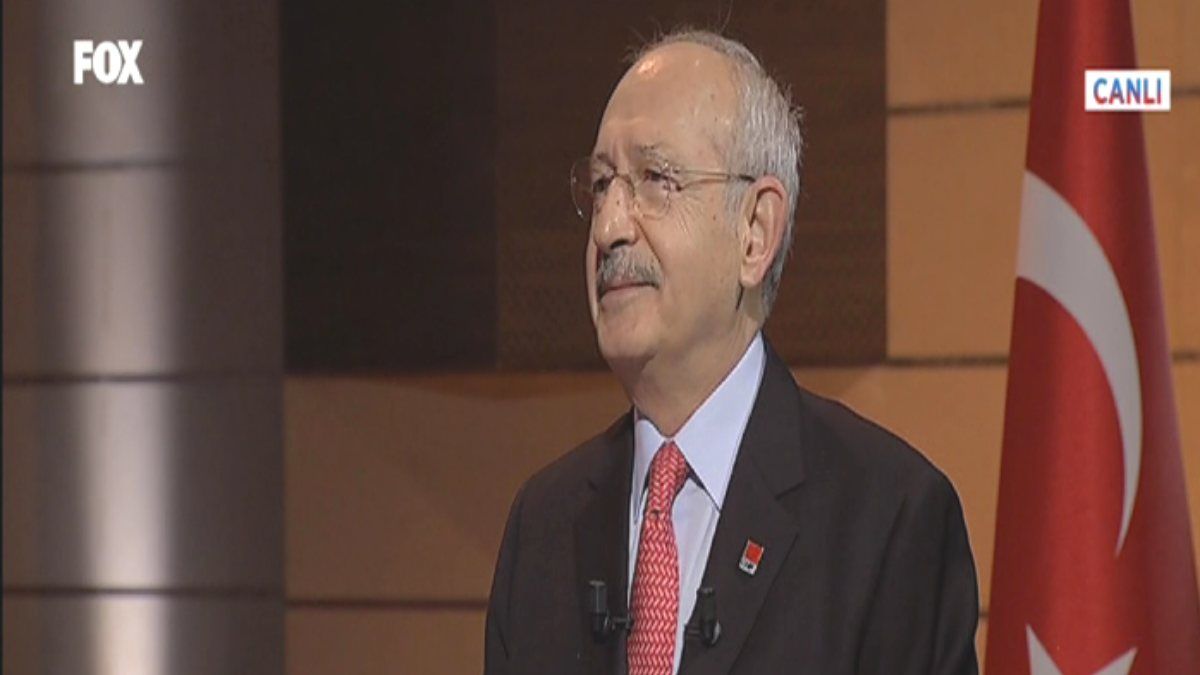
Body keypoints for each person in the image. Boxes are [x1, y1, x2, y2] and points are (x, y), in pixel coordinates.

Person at [484, 29, 979, 675]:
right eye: (602, 185)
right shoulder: (543, 526)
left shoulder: (890, 519)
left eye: (655, 180)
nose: (609, 227)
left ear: (755, 232)